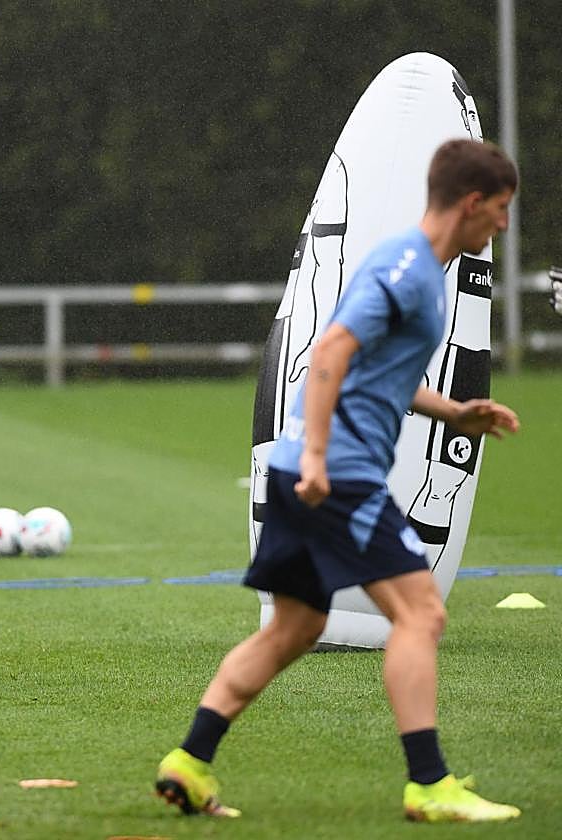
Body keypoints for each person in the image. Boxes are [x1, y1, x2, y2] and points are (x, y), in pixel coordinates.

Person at [154, 139, 522, 824]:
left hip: (306, 470)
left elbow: (377, 371)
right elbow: (329, 352)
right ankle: (429, 785)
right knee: (421, 614)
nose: (503, 225)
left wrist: (454, 410)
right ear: (472, 203)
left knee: (294, 628)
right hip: (336, 475)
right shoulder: (410, 268)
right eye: (500, 210)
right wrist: (321, 455)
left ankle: (190, 761)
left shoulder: (415, 268)